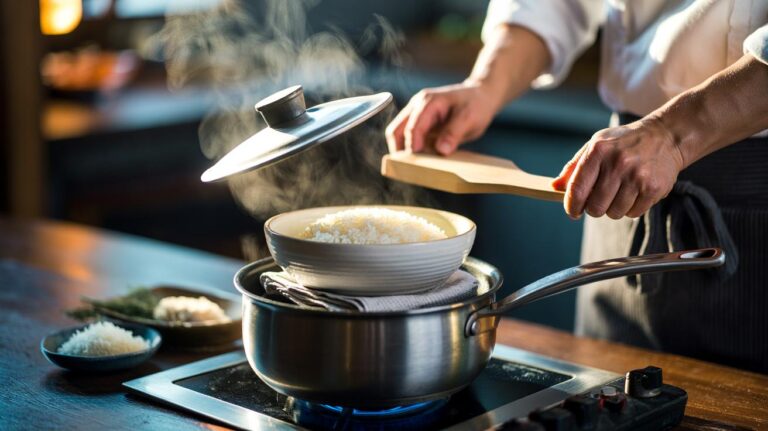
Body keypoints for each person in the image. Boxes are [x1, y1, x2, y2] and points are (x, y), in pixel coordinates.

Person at [386, 1, 768, 374]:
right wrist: (484, 86)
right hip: (615, 194)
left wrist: (672, 135)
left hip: (753, 213)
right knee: (605, 399)